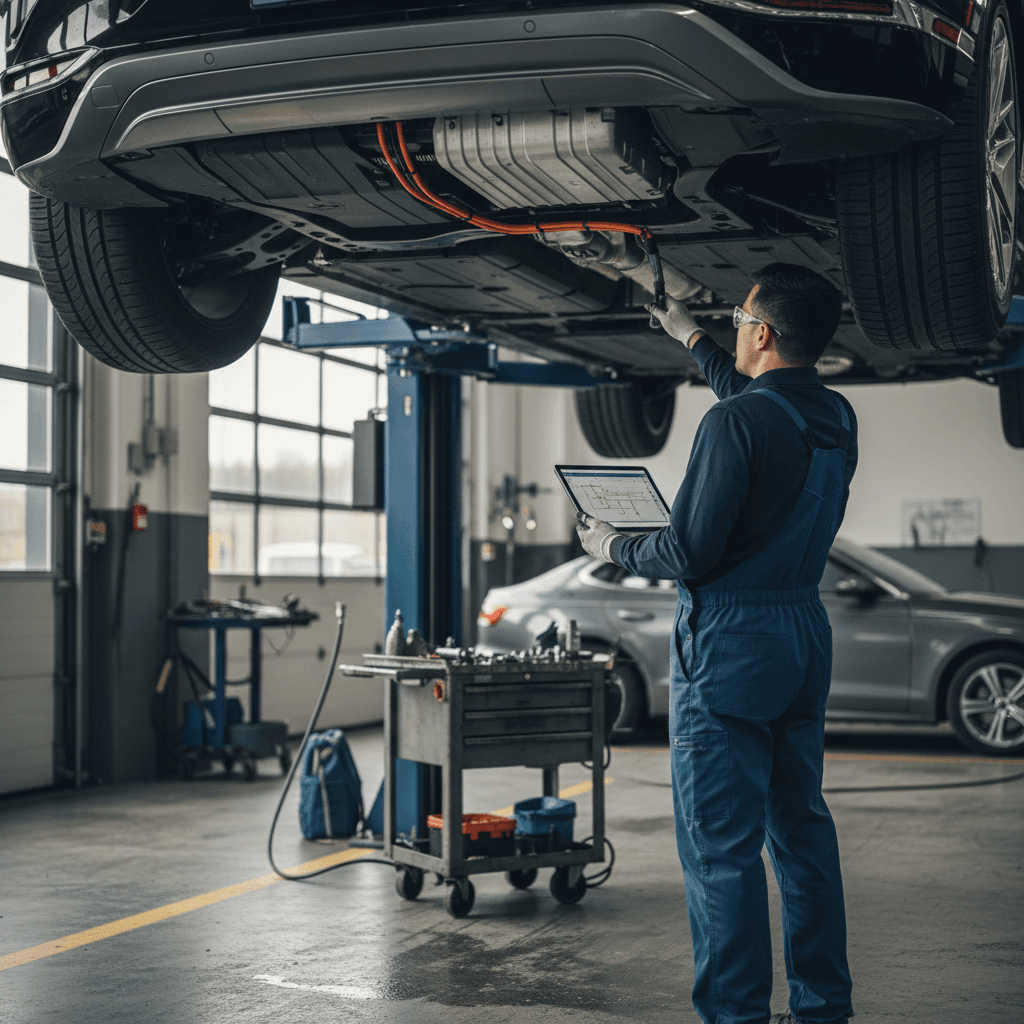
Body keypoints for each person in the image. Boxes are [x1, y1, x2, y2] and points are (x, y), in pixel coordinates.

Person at [577, 263, 857, 1024]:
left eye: (738, 319)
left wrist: (613, 542)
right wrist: (690, 334)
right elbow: (764, 407)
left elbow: (689, 552)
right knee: (800, 832)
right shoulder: (833, 417)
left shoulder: (733, 425)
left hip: (733, 640)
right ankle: (824, 1006)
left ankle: (735, 1016)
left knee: (720, 850)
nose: (734, 328)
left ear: (763, 333)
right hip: (803, 635)